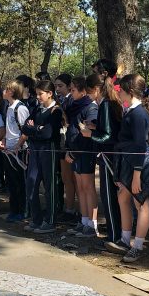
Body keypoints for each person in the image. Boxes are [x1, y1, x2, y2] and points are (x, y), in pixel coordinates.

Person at [106, 74, 149, 263]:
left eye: (120, 91)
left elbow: (139, 145)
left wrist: (137, 175)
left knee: (141, 202)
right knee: (123, 195)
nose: (118, 94)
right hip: (128, 160)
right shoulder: (131, 110)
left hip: (138, 163)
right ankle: (124, 239)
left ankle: (137, 245)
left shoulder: (139, 113)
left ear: (130, 92)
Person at [83, 73, 123, 249]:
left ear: (97, 90)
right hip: (113, 154)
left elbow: (107, 135)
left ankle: (114, 235)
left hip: (108, 156)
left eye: (90, 93)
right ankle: (116, 233)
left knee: (109, 197)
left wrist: (90, 134)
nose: (89, 97)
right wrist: (95, 127)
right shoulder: (110, 102)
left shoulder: (106, 103)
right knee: (113, 197)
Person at [21, 80, 64, 235]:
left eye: (41, 93)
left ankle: (50, 220)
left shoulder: (56, 111)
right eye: (37, 93)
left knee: (49, 185)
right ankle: (36, 219)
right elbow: (25, 127)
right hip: (35, 149)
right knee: (31, 182)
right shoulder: (37, 109)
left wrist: (34, 129)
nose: (38, 96)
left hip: (48, 150)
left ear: (49, 94)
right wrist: (35, 129)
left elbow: (48, 133)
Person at [64, 76, 99, 238]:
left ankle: (92, 225)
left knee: (88, 187)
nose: (70, 93)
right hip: (76, 153)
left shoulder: (90, 107)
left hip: (85, 153)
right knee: (81, 188)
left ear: (84, 91)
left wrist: (75, 150)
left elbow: (90, 129)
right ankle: (84, 221)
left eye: (73, 90)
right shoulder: (75, 107)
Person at [1, 80, 30, 223]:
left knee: (20, 182)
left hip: (19, 151)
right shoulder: (9, 107)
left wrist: (18, 146)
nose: (3, 92)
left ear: (11, 92)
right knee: (11, 181)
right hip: (8, 150)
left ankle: (23, 210)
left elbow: (25, 131)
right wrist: (5, 141)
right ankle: (14, 209)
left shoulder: (21, 108)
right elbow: (9, 129)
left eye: (6, 89)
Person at [55, 74, 76, 220]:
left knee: (70, 178)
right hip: (61, 141)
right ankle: (67, 207)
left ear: (69, 86)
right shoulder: (60, 100)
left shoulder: (71, 101)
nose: (57, 89)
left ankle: (70, 209)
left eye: (60, 86)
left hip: (70, 143)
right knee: (65, 177)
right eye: (56, 86)